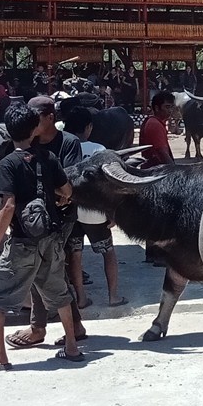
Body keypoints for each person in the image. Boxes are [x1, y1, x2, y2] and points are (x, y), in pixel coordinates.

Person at [0, 103, 83, 373]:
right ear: (35, 129)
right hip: (51, 238)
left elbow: (8, 207)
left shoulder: (8, 164)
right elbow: (67, 190)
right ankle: (71, 347)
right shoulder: (48, 157)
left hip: (23, 241)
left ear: (8, 132)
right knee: (59, 292)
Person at [3, 96, 85, 350]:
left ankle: (40, 327)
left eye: (35, 117)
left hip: (61, 216)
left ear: (50, 118)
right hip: (34, 218)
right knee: (49, 271)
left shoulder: (68, 142)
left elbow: (69, 183)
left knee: (46, 270)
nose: (30, 123)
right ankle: (69, 327)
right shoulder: (29, 141)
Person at [63, 107, 127, 308]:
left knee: (75, 254)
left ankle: (81, 298)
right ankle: (113, 296)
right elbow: (108, 185)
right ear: (89, 127)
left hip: (71, 208)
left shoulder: (63, 147)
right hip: (95, 211)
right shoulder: (99, 150)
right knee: (108, 252)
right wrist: (112, 212)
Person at [140, 91, 175, 169]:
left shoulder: (154, 122)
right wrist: (174, 171)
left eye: (171, 107)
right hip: (157, 170)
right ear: (157, 108)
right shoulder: (155, 124)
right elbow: (162, 152)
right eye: (167, 107)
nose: (170, 110)